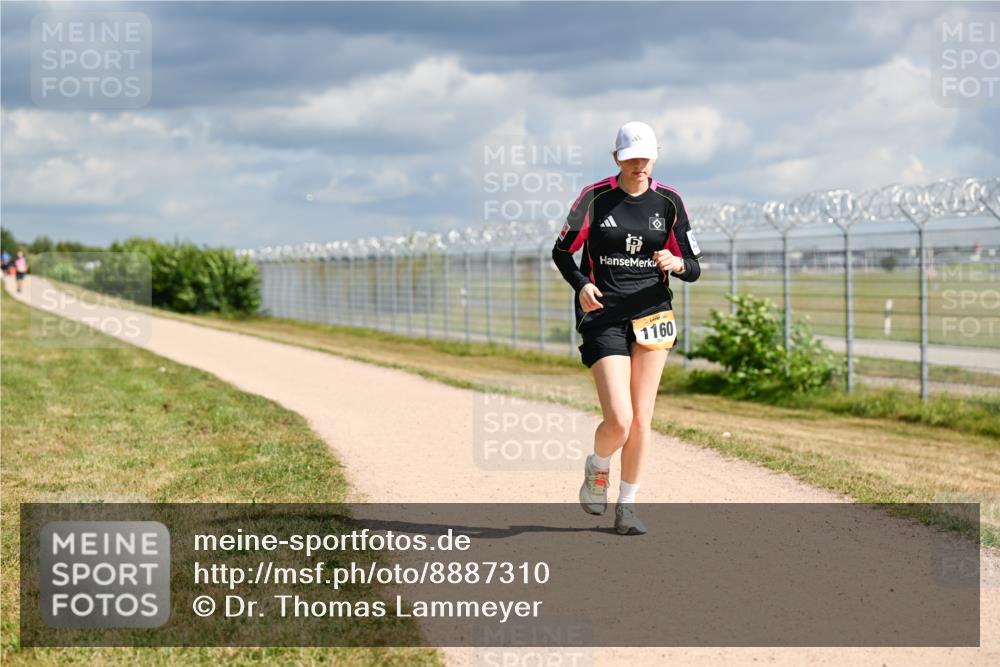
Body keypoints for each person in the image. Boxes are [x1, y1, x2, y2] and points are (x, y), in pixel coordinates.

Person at [552, 121, 703, 535]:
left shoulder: (669, 202)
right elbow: (562, 251)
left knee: (642, 419)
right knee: (619, 418)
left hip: (653, 314)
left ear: (655, 156)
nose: (639, 163)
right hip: (602, 312)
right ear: (616, 156)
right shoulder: (594, 198)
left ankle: (629, 505)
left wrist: (677, 264)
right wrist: (581, 284)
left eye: (645, 156)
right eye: (630, 156)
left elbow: (693, 265)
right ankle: (598, 466)